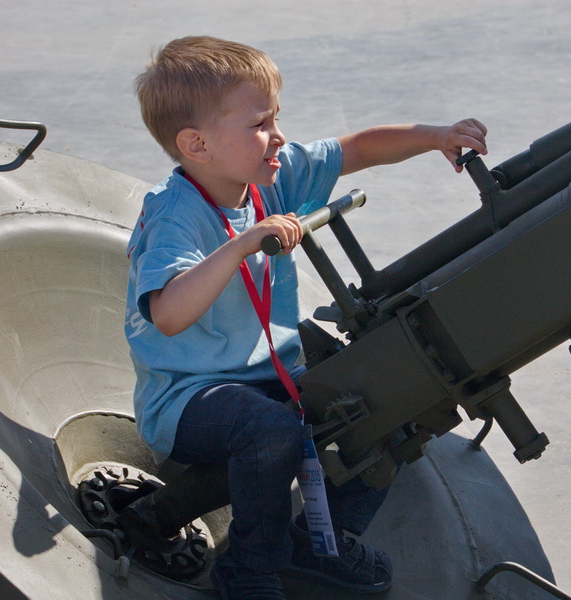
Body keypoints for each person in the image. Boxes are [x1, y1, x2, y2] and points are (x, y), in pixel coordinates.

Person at [124, 36, 487, 600]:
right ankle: (248, 573)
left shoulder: (270, 177)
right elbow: (169, 314)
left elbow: (357, 148)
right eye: (260, 124)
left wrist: (435, 137)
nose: (279, 136)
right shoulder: (175, 216)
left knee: (396, 391)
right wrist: (242, 246)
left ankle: (321, 542)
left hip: (273, 375)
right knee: (269, 431)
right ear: (196, 144)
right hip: (190, 399)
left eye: (277, 118)